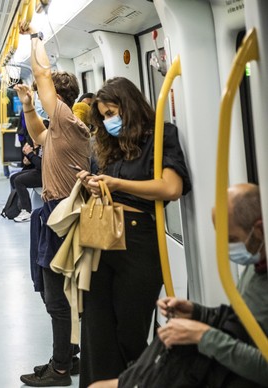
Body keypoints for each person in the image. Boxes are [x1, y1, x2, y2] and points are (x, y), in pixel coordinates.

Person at [90, 183, 268, 388]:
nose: (227, 248)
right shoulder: (255, 268)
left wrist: (203, 336)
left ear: (259, 229)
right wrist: (196, 312)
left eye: (232, 239)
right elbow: (239, 320)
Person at [75, 76, 192, 387]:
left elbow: (171, 187)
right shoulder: (110, 144)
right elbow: (111, 186)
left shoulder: (161, 136)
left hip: (139, 241)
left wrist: (118, 184)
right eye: (103, 116)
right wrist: (96, 185)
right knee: (97, 327)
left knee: (131, 328)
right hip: (102, 237)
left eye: (112, 112)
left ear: (129, 107)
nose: (108, 121)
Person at [15, 22, 91, 387]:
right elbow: (38, 135)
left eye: (42, 96)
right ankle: (66, 357)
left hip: (62, 216)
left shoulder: (69, 121)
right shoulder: (57, 129)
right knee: (51, 294)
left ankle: (60, 369)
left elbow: (42, 73)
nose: (38, 96)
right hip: (51, 215)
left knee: (56, 298)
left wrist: (34, 37)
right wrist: (28, 106)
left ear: (57, 100)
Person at [11, 142, 42, 223]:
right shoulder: (40, 145)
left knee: (19, 180)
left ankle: (26, 211)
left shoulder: (48, 144)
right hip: (40, 171)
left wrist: (30, 154)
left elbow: (41, 165)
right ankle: (15, 206)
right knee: (13, 178)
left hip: (46, 174)